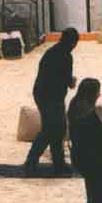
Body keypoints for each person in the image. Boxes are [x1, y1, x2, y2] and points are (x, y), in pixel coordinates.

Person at [24, 28, 79, 176]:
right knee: (51, 129)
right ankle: (31, 162)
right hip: (50, 96)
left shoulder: (53, 51)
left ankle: (57, 162)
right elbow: (67, 80)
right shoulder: (66, 56)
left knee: (57, 128)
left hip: (45, 94)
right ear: (73, 42)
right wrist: (72, 81)